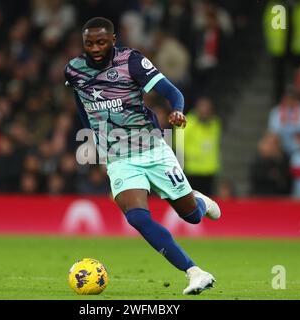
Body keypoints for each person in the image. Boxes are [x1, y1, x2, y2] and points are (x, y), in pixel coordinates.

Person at [64, 17, 221, 295]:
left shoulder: (131, 61)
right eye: (89, 43)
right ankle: (194, 272)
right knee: (137, 217)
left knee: (192, 218)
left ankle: (196, 200)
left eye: (101, 42)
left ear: (113, 40)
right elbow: (81, 105)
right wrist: (93, 138)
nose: (95, 48)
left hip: (152, 149)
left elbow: (172, 92)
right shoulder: (74, 70)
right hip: (119, 159)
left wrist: (178, 110)